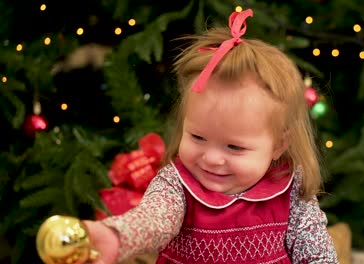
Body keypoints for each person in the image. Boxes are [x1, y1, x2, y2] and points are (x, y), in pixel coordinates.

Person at [83, 8, 338, 264]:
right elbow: (154, 220)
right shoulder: (176, 185)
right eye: (198, 137)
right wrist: (117, 238)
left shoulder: (289, 186)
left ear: (279, 145)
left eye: (235, 147)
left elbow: (316, 250)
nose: (212, 158)